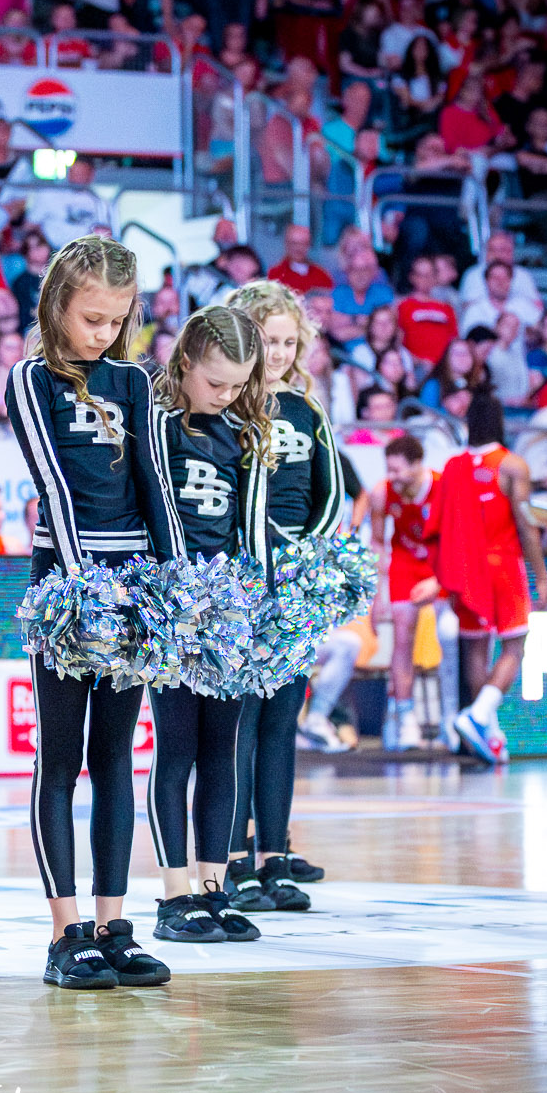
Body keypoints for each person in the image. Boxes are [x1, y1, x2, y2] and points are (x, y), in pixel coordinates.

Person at [5, 236, 180, 990]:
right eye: (91, 318)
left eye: (116, 320)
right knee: (61, 755)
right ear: (56, 307)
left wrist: (173, 583)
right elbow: (54, 482)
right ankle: (64, 929)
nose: (104, 334)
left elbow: (155, 482)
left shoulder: (135, 381)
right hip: (65, 580)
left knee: (116, 756)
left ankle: (114, 922)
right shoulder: (29, 378)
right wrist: (85, 586)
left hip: (132, 578)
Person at [147, 306, 272, 945]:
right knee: (176, 748)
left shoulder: (243, 433)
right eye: (216, 382)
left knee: (221, 750)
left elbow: (252, 528)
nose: (226, 396)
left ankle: (213, 886)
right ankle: (174, 895)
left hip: (228, 607)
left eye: (237, 385)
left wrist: (261, 605)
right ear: (186, 361)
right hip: (170, 603)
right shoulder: (156, 423)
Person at [226, 279, 345, 905]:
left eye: (286, 342)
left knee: (281, 720)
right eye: (266, 339)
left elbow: (332, 495)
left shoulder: (306, 409)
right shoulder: (225, 408)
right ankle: (235, 852)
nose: (275, 352)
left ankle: (275, 850)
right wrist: (264, 557)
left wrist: (306, 560)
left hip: (297, 584)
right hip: (243, 582)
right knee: (242, 722)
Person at [428, 390, 547, 766]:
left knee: (475, 649)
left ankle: (490, 732)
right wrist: (542, 577)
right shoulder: (511, 465)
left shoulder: (451, 466)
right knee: (515, 646)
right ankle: (478, 715)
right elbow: (526, 525)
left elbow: (439, 524)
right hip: (502, 565)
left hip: (464, 569)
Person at [370, 433, 445, 751]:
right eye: (389, 469)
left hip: (440, 563)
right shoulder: (381, 493)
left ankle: (452, 719)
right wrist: (377, 596)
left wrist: (441, 582)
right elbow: (377, 543)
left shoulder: (444, 488)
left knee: (450, 636)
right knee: (402, 637)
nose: (393, 476)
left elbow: (460, 542)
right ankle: (406, 717)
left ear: (417, 465)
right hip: (404, 562)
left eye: (398, 470)